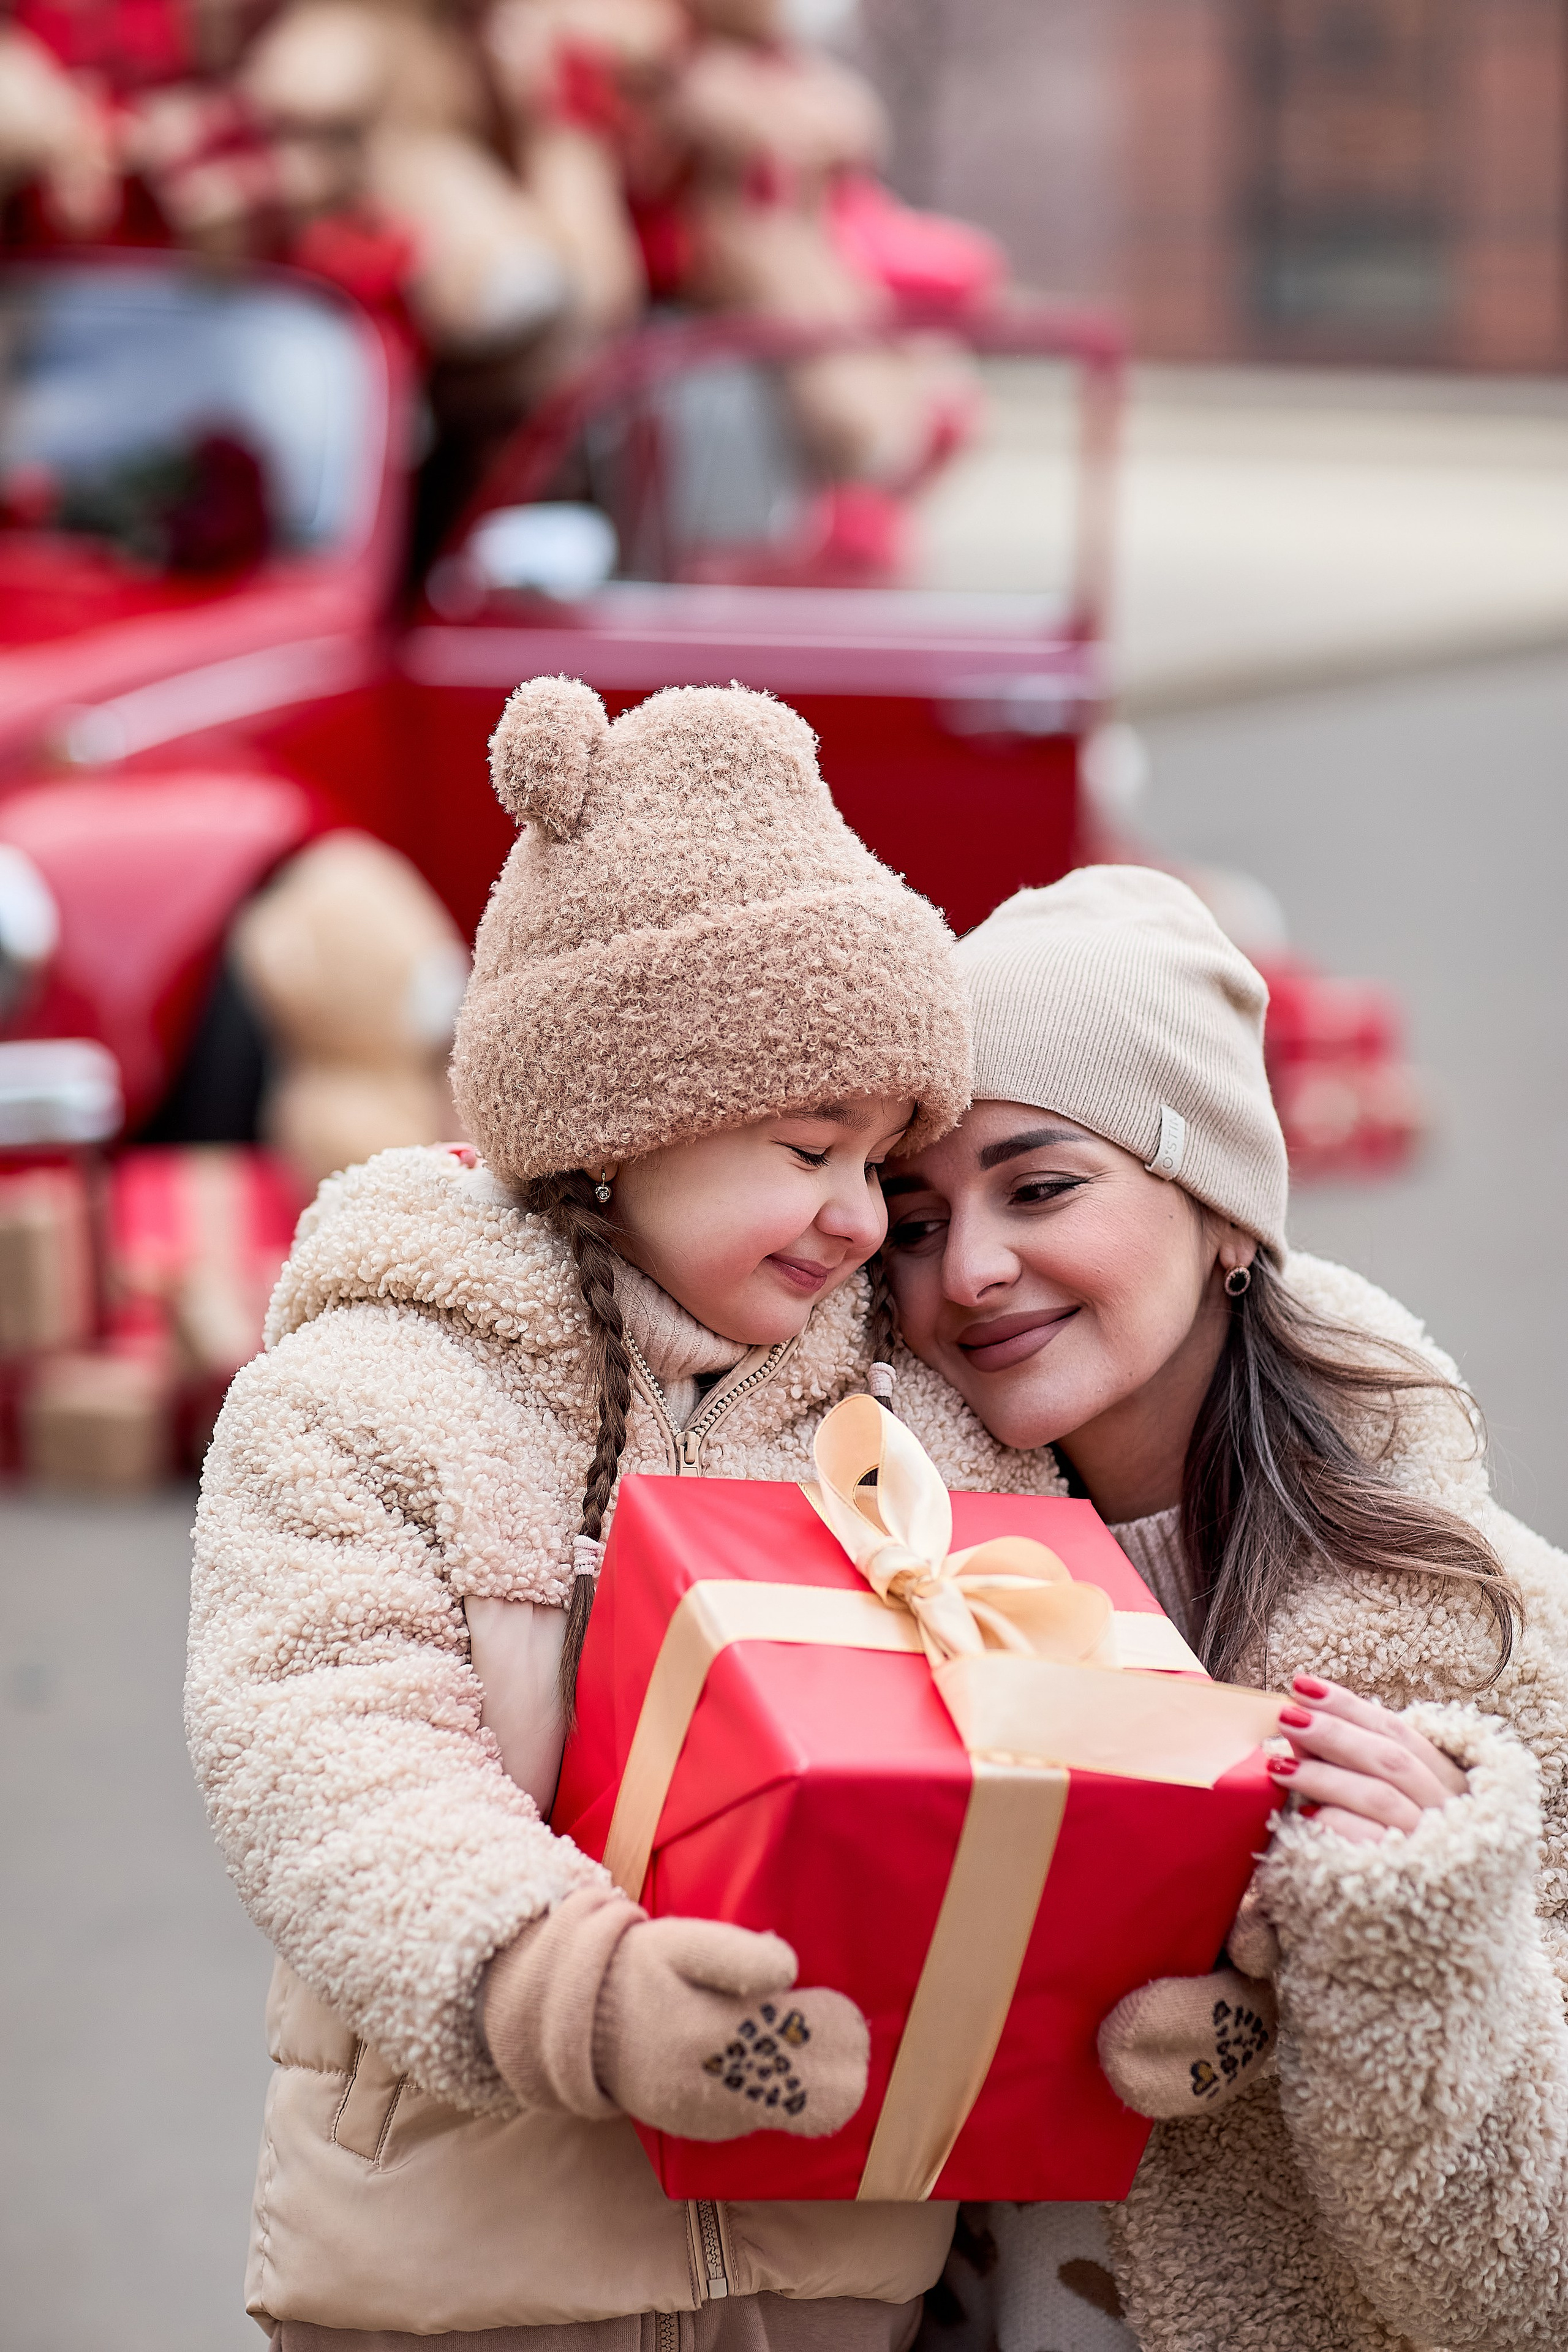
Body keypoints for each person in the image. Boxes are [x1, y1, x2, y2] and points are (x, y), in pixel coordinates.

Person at [186, 674, 1058, 2352]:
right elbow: (328, 1757)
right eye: (813, 1145)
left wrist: (1111, 1997)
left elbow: (1044, 1759)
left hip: (827, 2281)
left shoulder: (911, 1428)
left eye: (885, 1163)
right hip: (464, 2272)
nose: (862, 1219)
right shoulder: (375, 1395)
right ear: (622, 1115)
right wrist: (579, 1994)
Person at [884, 867, 1568, 2352]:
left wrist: (1416, 1934)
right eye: (913, 1218)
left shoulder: (1483, 1631)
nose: (973, 1269)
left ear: (1222, 1216)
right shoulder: (878, 1580)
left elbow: (1531, 2286)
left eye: (1040, 1184)